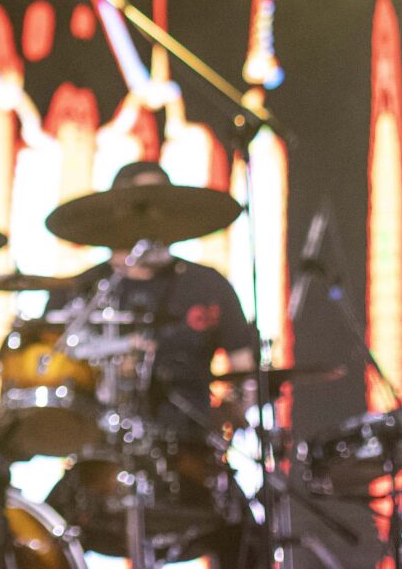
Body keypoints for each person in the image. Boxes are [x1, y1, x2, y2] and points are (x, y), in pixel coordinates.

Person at [63, 160, 260, 433]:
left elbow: (244, 367)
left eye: (161, 206)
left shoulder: (207, 285)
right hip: (99, 439)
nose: (152, 218)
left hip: (189, 441)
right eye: (142, 207)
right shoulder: (84, 289)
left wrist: (230, 410)